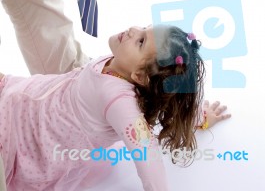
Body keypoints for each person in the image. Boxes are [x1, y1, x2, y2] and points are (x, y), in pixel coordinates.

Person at [0, 24, 231, 190]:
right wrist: (198, 116)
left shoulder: (119, 103)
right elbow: (169, 105)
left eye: (140, 41)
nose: (133, 30)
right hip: (23, 102)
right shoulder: (119, 63)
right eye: (143, 28)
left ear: (139, 76)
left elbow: (148, 156)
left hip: (24, 140)